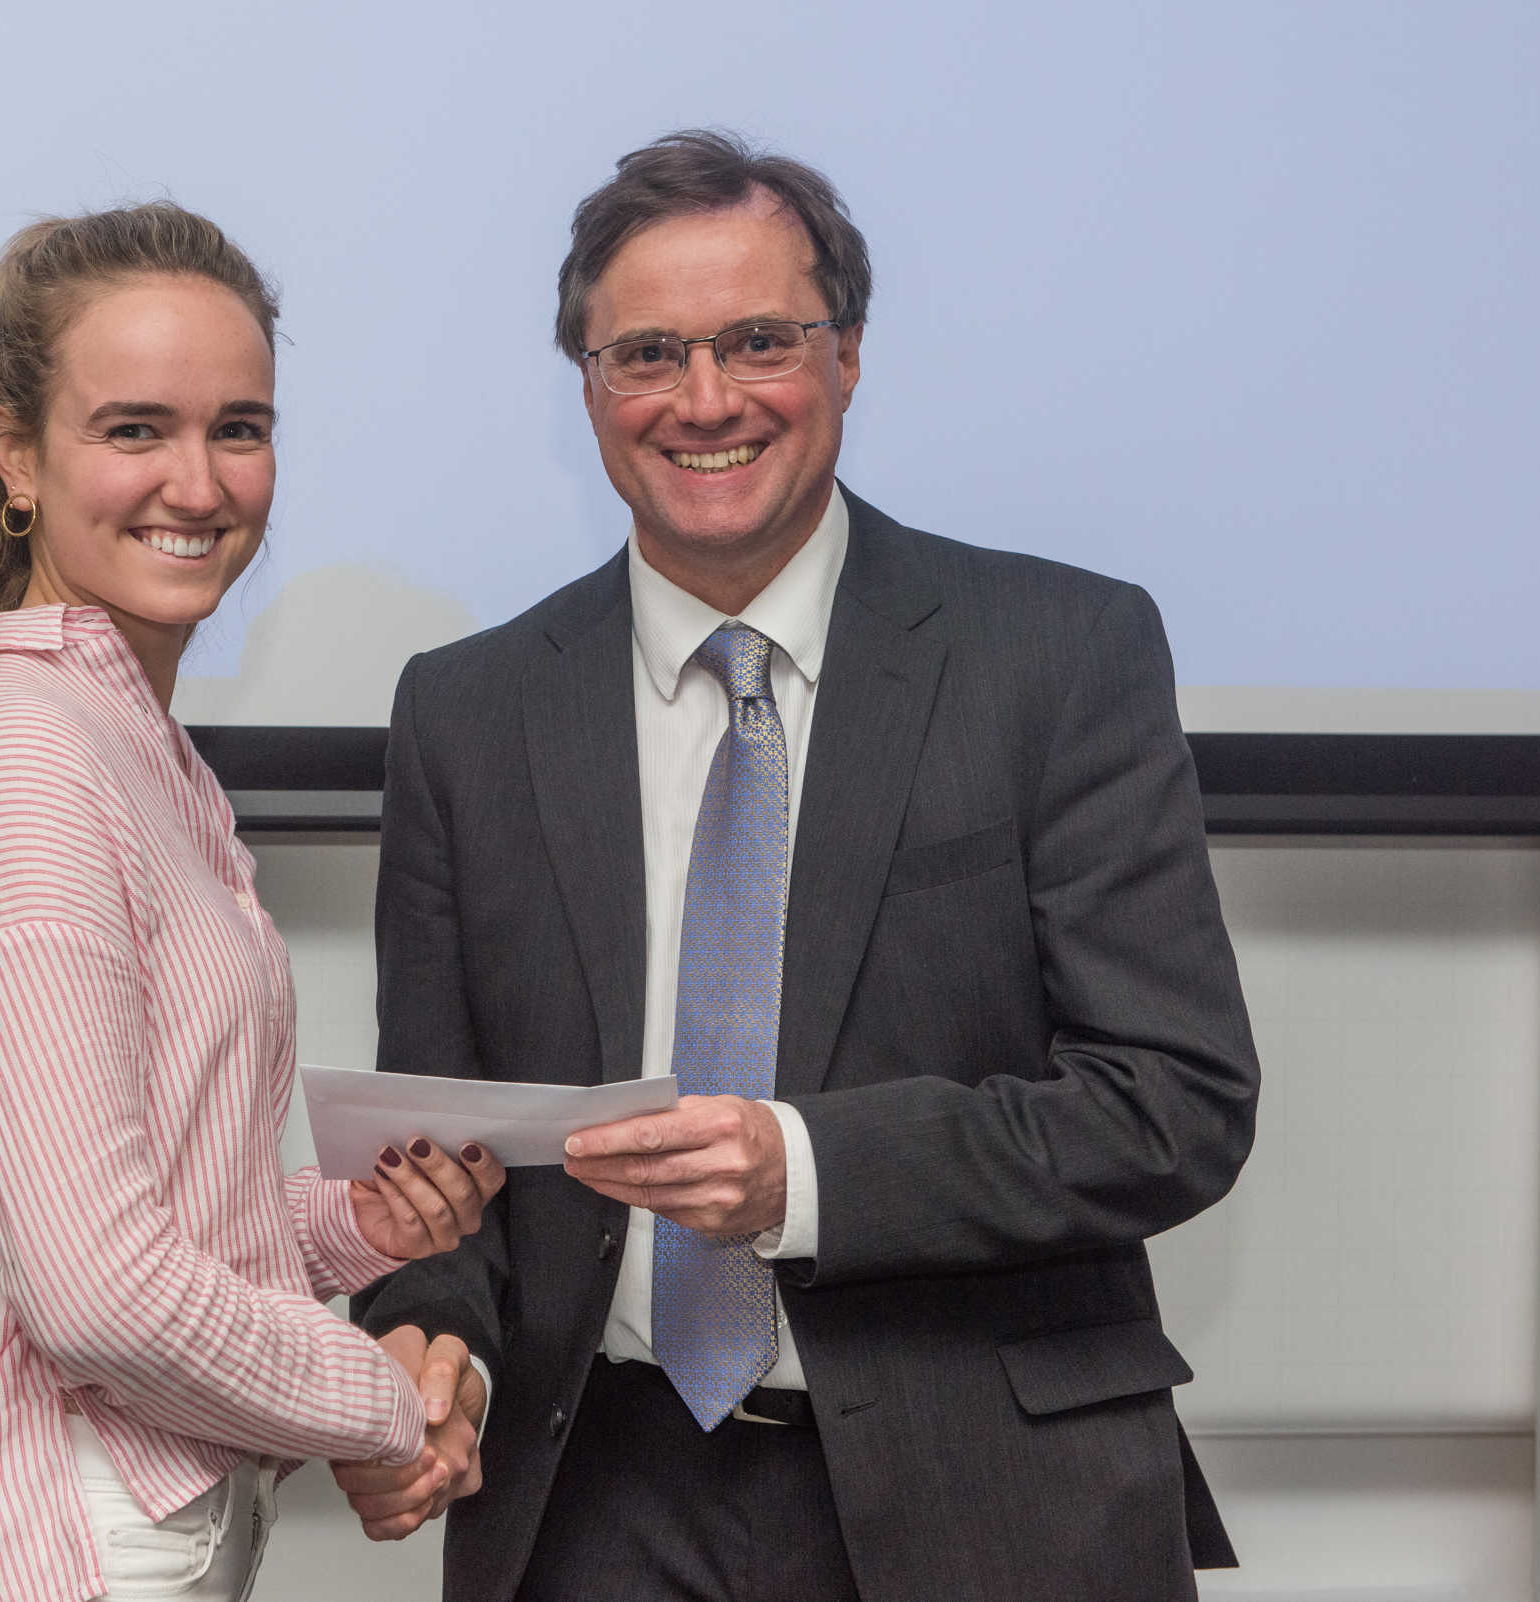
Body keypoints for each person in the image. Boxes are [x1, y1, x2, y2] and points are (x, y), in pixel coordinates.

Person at [340, 131, 1260, 1600]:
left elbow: (1174, 1104)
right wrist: (416, 1334)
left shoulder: (1058, 655)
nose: (706, 400)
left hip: (989, 1494)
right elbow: (446, 1164)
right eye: (647, 353)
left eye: (759, 340)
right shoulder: (469, 710)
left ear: (847, 356)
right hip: (591, 1509)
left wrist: (807, 1172)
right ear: (587, 385)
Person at [0, 204, 504, 1602]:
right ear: (17, 455)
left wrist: (352, 1229)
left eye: (238, 428)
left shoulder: (129, 739)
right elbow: (97, 1290)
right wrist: (385, 1401)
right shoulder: (25, 747)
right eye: (135, 429)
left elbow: (158, 1212)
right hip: (58, 1538)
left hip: (131, 1523)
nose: (197, 484)